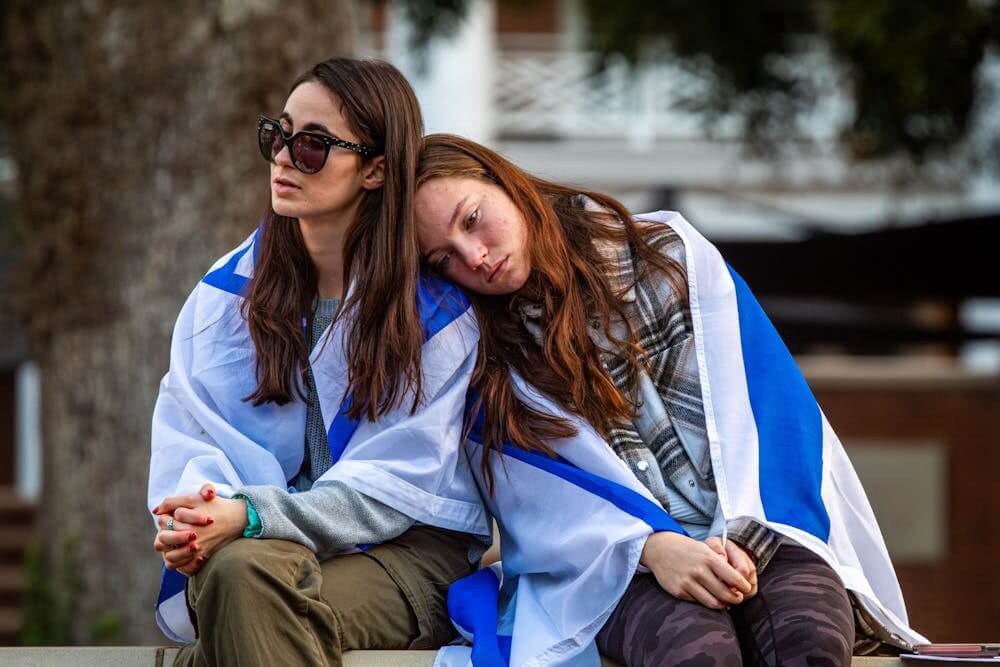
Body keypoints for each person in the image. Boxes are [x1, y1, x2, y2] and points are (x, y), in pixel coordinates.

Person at [414, 134, 927, 666]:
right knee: (696, 654)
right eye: (444, 256)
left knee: (807, 642)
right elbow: (542, 505)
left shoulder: (671, 256)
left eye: (472, 219)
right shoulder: (483, 357)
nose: (473, 257)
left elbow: (771, 412)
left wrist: (740, 538)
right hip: (619, 563)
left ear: (506, 182)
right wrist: (653, 546)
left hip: (758, 527)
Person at [147, 61, 489, 667]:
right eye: (277, 136)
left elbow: (397, 490)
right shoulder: (227, 295)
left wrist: (251, 516)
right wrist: (199, 512)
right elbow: (191, 432)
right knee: (242, 574)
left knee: (246, 585)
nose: (283, 157)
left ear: (377, 168)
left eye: (312, 145)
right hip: (247, 546)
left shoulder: (431, 311)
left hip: (402, 553)